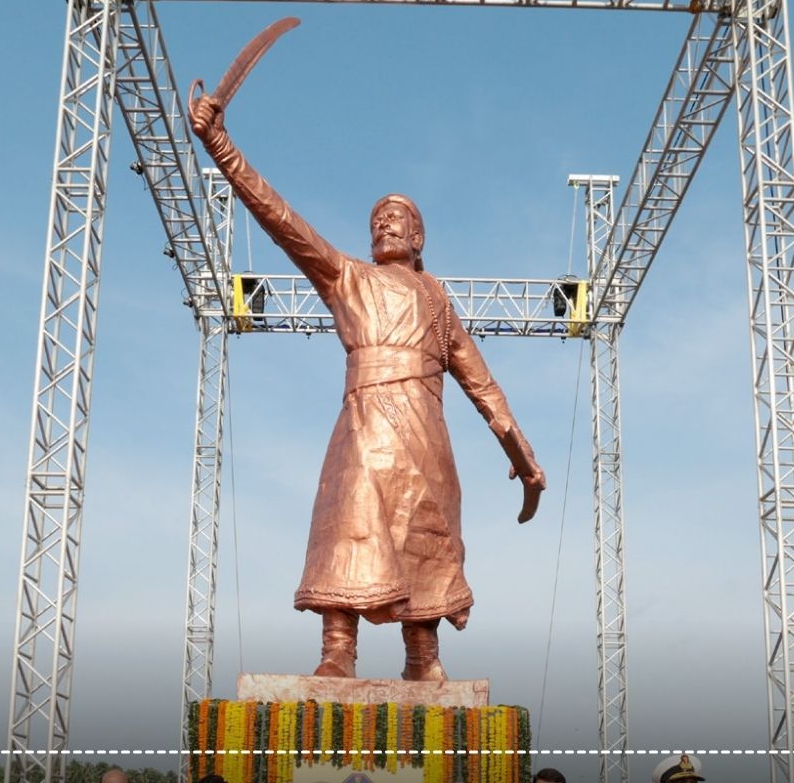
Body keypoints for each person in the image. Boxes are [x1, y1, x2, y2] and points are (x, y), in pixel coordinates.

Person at [190, 91, 546, 682]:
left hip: (425, 431)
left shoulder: (438, 302)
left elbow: (483, 384)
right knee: (348, 523)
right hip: (364, 423)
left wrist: (522, 454)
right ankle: (338, 649)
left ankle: (423, 658)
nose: (383, 222)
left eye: (396, 217)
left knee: (425, 534)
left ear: (419, 238)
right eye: (377, 218)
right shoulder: (346, 277)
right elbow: (279, 219)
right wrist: (220, 145)